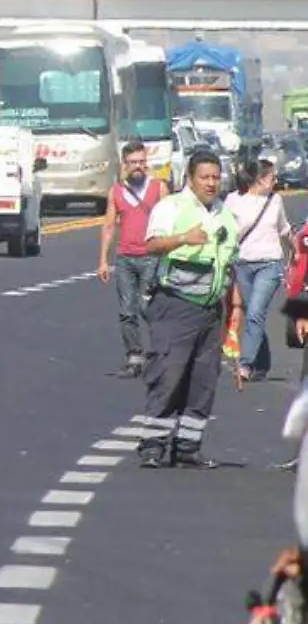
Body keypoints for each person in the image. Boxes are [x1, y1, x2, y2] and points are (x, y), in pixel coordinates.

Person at [135, 150, 248, 469]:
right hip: (175, 304)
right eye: (205, 177)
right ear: (190, 178)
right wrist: (185, 237)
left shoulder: (225, 215)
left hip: (212, 309)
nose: (212, 183)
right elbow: (152, 244)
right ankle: (153, 446)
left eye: (216, 177)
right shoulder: (171, 207)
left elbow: (230, 266)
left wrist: (235, 307)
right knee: (169, 374)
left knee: (203, 380)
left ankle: (187, 446)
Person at [98, 140, 164, 379]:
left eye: (141, 162)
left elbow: (170, 220)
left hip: (151, 256)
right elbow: (108, 226)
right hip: (125, 258)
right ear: (125, 165)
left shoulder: (159, 188)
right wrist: (103, 260)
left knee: (148, 307)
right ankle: (134, 357)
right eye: (133, 163)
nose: (138, 166)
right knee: (127, 310)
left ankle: (161, 354)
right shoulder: (116, 192)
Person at [226, 158, 295, 384]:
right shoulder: (234, 201)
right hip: (243, 263)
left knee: (256, 311)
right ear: (259, 179)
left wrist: (296, 255)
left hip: (270, 264)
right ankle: (262, 363)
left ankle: (245, 364)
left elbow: (284, 230)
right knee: (254, 316)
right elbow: (225, 232)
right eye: (272, 177)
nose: (275, 181)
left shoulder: (275, 201)